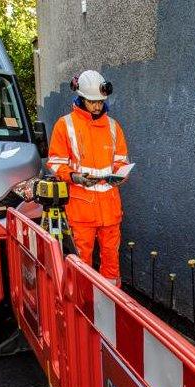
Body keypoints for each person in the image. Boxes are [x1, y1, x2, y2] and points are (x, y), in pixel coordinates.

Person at [46, 70, 130, 285]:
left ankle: (110, 304)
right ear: (81, 98)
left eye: (100, 102)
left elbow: (120, 160)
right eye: (92, 102)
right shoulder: (65, 125)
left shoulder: (113, 126)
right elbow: (55, 163)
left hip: (110, 208)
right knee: (82, 261)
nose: (97, 106)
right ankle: (83, 306)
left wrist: (120, 174)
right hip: (81, 207)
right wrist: (74, 177)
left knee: (112, 260)